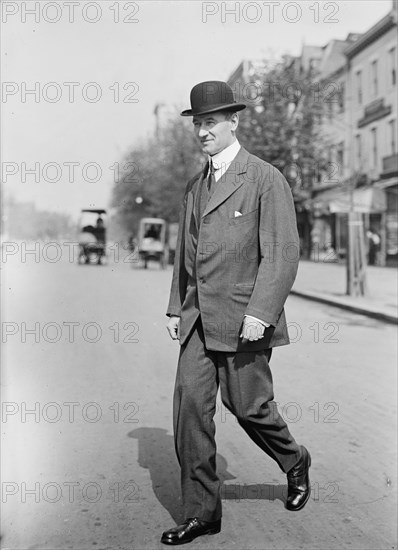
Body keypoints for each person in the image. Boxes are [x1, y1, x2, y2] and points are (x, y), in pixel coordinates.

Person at [162, 81, 311, 546]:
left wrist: (261, 311)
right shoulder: (195, 185)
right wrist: (174, 306)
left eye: (211, 123)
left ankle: (294, 460)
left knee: (248, 407)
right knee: (190, 411)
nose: (203, 132)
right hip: (197, 320)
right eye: (198, 124)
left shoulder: (265, 178)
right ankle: (202, 513)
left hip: (245, 319)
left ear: (234, 123)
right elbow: (185, 253)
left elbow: (283, 254)